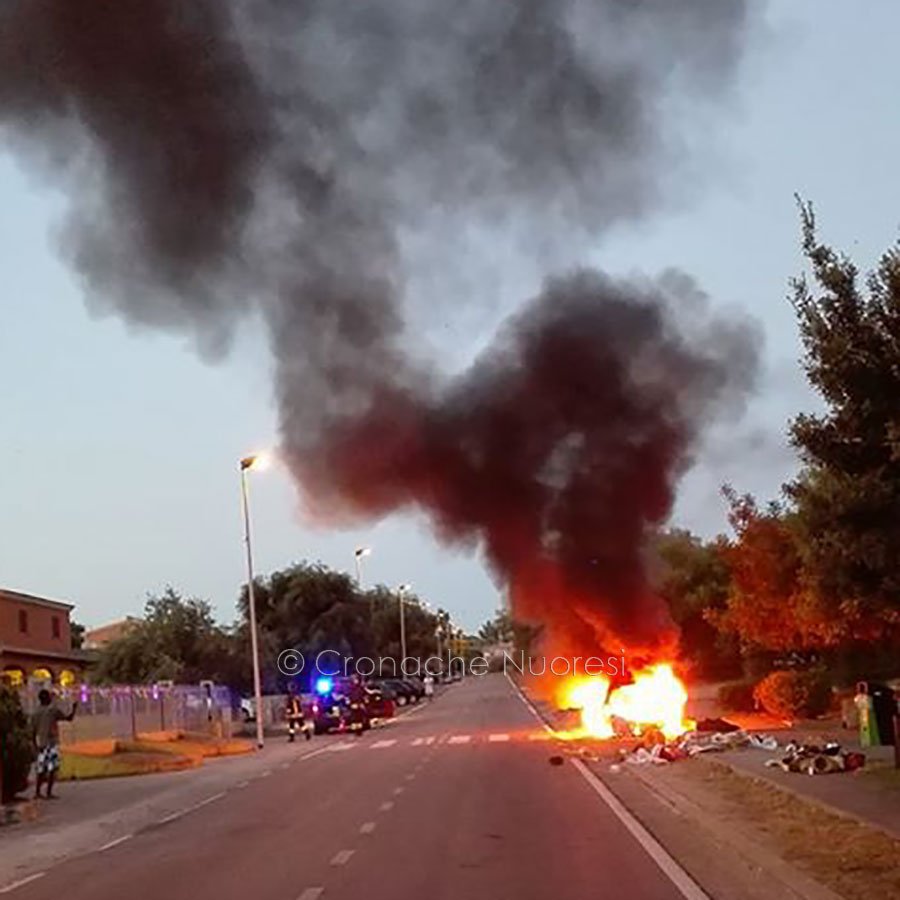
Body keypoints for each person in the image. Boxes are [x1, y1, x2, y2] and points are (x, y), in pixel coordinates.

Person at [30, 689, 77, 799]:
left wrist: (34, 745)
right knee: (52, 768)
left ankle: (37, 792)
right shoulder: (53, 711)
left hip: (41, 744)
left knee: (41, 769)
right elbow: (69, 718)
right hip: (51, 743)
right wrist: (74, 708)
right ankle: (48, 792)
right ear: (47, 698)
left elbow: (32, 732)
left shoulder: (35, 713)